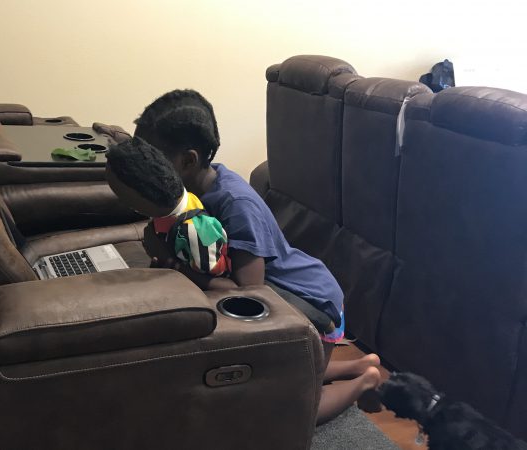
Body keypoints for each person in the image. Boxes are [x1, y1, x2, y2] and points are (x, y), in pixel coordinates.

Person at [128, 89, 382, 424]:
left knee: (289, 410)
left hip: (310, 302)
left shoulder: (235, 204)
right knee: (298, 373)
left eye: (156, 162)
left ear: (189, 160)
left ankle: (366, 381)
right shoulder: (192, 190)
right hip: (288, 290)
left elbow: (248, 293)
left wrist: (179, 271)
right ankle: (359, 364)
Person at [105, 137, 230, 284]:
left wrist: (166, 258)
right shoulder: (178, 198)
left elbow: (223, 286)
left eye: (122, 196)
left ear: (142, 199)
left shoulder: (195, 231)